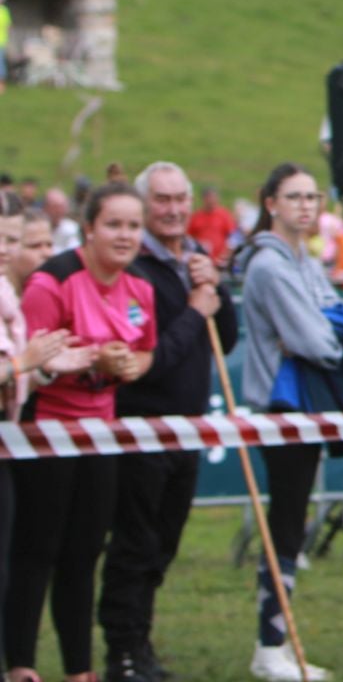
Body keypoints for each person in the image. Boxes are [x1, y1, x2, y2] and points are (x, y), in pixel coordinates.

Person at [7, 183, 155, 682]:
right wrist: (93, 358)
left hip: (102, 431)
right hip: (48, 428)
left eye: (133, 226)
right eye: (114, 224)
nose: (124, 235)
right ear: (89, 227)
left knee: (86, 551)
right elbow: (34, 365)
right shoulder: (54, 281)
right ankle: (22, 664)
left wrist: (129, 364)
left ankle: (79, 669)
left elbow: (145, 351)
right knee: (37, 549)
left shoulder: (140, 287)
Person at [100, 163, 237, 682]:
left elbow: (226, 340)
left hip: (189, 425)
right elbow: (150, 358)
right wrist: (195, 311)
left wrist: (213, 292)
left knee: (165, 542)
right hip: (141, 422)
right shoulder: (133, 271)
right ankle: (123, 652)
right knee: (134, 542)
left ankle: (142, 640)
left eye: (181, 197)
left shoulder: (193, 262)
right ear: (143, 205)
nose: (175, 209)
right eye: (161, 200)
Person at [236, 163, 343, 682]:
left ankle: (274, 640)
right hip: (282, 406)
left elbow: (336, 313)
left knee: (292, 523)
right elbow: (318, 340)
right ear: (270, 202)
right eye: (294, 196)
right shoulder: (270, 266)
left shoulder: (306, 261)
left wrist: (327, 327)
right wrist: (328, 332)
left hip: (308, 404)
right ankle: (270, 644)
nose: (306, 205)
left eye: (312, 197)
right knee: (284, 524)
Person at [0, 192, 91, 681]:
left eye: (13, 239)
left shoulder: (6, 298)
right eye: (6, 238)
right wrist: (23, 364)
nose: (7, 249)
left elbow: (15, 375)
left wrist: (43, 370)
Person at [186, 184, 239, 265]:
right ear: (204, 198)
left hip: (220, 261)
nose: (212, 200)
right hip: (201, 261)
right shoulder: (196, 217)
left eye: (214, 197)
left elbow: (233, 236)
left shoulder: (224, 215)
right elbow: (188, 238)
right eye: (209, 197)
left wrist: (228, 253)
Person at [45, 189, 80, 255]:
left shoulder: (72, 228)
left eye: (61, 207)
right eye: (55, 207)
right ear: (46, 208)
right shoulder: (39, 229)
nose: (58, 211)